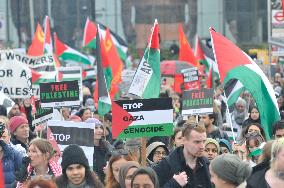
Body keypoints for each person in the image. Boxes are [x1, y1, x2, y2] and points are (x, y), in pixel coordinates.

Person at [152, 122, 212, 187]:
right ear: (184, 140)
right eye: (197, 142)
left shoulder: (207, 164)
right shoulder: (166, 165)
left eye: (203, 141)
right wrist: (174, 184)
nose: (202, 146)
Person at [0, 123, 23, 188]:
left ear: (9, 137)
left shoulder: (15, 154)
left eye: (4, 137)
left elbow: (21, 178)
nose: (1, 139)